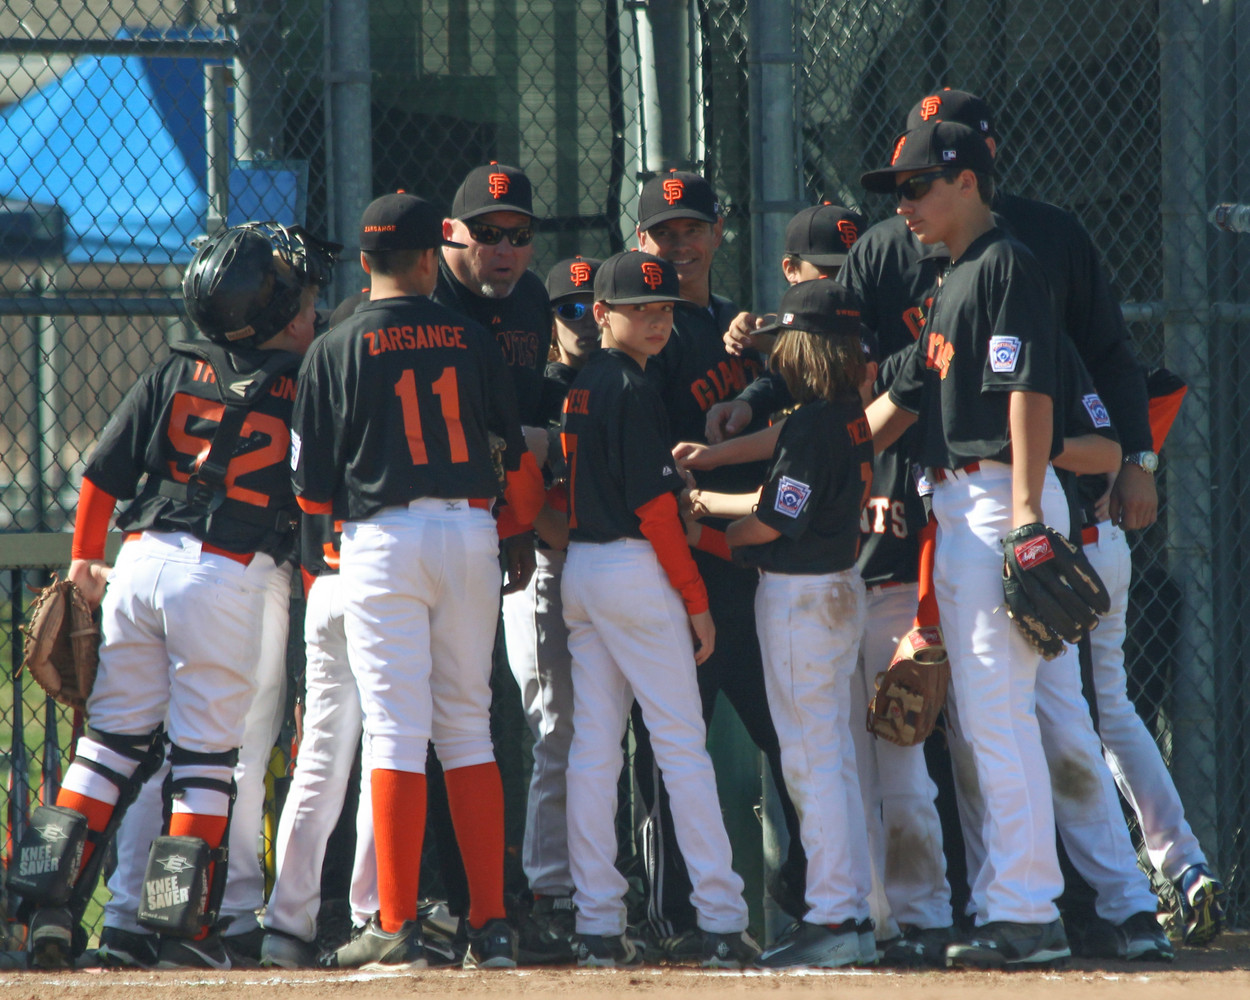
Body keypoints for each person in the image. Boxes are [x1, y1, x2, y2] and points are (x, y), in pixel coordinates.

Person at [12, 222, 335, 971]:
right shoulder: (305, 383)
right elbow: (313, 498)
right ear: (276, 311)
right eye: (301, 301)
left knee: (107, 746)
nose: (311, 312)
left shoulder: (176, 365)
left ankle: (41, 909)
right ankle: (181, 929)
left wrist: (84, 559)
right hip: (225, 573)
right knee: (205, 761)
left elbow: (102, 472)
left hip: (141, 560)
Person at [291, 192, 544, 971]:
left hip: (382, 537)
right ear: (432, 258)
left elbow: (311, 490)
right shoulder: (471, 338)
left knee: (397, 729)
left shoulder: (334, 344)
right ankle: (491, 925)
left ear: (367, 262)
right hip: (469, 530)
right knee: (467, 725)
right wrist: (512, 530)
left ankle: (395, 921)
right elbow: (515, 457)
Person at [858, 118, 1072, 969]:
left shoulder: (1005, 264)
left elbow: (1030, 393)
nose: (903, 205)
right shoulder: (953, 278)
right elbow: (899, 403)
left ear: (968, 182)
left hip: (996, 498)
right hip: (960, 506)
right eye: (899, 192)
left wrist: (1024, 515)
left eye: (917, 187)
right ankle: (1012, 905)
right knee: (985, 722)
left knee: (1000, 718)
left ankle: (1027, 911)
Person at [559, 250, 758, 970]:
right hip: (631, 570)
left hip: (584, 570)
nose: (655, 320)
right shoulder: (632, 386)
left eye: (665, 308)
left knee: (594, 748)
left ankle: (597, 921)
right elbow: (654, 509)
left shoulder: (584, 382)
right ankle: (722, 917)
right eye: (638, 309)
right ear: (601, 314)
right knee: (679, 744)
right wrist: (696, 600)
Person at [633, 169, 807, 943]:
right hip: (689, 572)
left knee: (794, 739)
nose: (680, 245)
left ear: (718, 232)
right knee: (674, 748)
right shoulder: (651, 334)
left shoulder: (739, 325)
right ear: (642, 241)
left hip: (759, 572)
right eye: (664, 233)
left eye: (692, 229)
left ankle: (812, 896)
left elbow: (804, 393)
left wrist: (767, 346)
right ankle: (676, 918)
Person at [682, 280, 875, 968]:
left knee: (811, 761)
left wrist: (704, 531)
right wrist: (710, 493)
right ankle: (851, 912)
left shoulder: (813, 423)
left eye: (783, 344)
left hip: (802, 600)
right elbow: (781, 496)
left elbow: (770, 523)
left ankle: (833, 916)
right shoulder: (846, 413)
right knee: (833, 758)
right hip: (836, 587)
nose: (774, 356)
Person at [502, 256, 602, 963]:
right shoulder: (535, 392)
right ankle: (550, 889)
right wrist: (556, 532)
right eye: (569, 309)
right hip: (544, 564)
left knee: (597, 731)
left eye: (594, 306)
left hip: (600, 566)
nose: (584, 321)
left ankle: (592, 881)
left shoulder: (622, 379)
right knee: (556, 728)